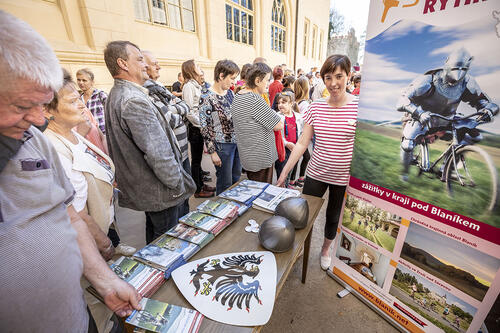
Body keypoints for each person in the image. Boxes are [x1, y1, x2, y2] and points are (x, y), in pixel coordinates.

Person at [0, 11, 140, 332]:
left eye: (42, 102)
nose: (38, 120)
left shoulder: (32, 138)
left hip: (75, 317)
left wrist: (104, 280)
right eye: (22, 105)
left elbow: (70, 215)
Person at [104, 41, 195, 244]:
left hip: (149, 189)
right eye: (139, 59)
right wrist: (177, 184)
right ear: (123, 63)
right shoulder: (133, 100)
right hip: (159, 190)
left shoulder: (120, 94)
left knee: (155, 237)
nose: (145, 64)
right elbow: (158, 153)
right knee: (166, 241)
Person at [277, 54, 358, 270]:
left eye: (339, 76)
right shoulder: (316, 107)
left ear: (348, 76)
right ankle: (300, 248)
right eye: (328, 77)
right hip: (316, 173)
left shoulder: (359, 108)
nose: (333, 83)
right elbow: (303, 143)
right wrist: (285, 172)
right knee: (304, 216)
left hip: (342, 178)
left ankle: (325, 250)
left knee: (332, 217)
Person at [44, 69, 117, 260]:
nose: (81, 106)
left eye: (79, 98)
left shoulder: (73, 133)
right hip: (90, 240)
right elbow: (77, 212)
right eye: (72, 101)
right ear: (46, 110)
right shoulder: (55, 150)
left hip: (103, 223)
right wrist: (105, 244)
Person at [398, 47, 498, 181]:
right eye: (456, 68)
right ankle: (404, 173)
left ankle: (447, 168)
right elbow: (402, 100)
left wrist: (489, 110)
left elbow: (482, 101)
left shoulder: (467, 82)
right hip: (422, 118)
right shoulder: (428, 80)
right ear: (447, 64)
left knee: (475, 136)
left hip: (447, 120)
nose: (459, 73)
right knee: (408, 143)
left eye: (463, 70)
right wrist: (419, 113)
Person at [142, 50, 191, 217]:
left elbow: (185, 105)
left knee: (185, 200)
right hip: (172, 158)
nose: (159, 66)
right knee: (175, 207)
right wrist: (178, 109)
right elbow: (170, 120)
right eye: (155, 63)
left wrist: (176, 108)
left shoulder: (160, 86)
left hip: (183, 154)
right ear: (143, 65)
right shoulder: (146, 91)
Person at [231, 62, 284, 183]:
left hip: (250, 156)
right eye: (267, 80)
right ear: (257, 81)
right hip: (261, 157)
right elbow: (278, 125)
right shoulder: (254, 99)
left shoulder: (239, 95)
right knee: (261, 193)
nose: (269, 83)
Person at [199, 60, 241, 195]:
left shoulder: (230, 93)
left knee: (235, 178)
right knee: (225, 183)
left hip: (236, 143)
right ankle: (223, 211)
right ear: (221, 76)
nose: (234, 82)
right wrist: (212, 152)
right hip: (222, 146)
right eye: (232, 78)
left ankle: (232, 207)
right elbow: (205, 127)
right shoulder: (206, 97)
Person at [182, 59, 215, 198]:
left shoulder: (197, 85)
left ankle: (201, 183)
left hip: (201, 126)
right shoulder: (189, 86)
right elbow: (189, 111)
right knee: (195, 160)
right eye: (197, 65)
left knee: (199, 159)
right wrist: (202, 125)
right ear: (191, 69)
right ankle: (197, 189)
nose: (200, 67)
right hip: (196, 128)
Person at [274, 91, 303, 188]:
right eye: (279, 103)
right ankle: (281, 188)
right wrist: (286, 143)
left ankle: (286, 186)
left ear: (291, 103)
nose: (280, 105)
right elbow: (277, 135)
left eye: (284, 102)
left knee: (290, 170)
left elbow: (301, 132)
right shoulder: (278, 116)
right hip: (282, 150)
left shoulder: (298, 117)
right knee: (282, 171)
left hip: (294, 149)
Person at [77, 68, 108, 135]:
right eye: (78, 80)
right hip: (89, 137)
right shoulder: (78, 100)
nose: (81, 83)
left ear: (92, 82)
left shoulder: (101, 95)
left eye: (84, 80)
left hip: (104, 135)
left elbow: (112, 115)